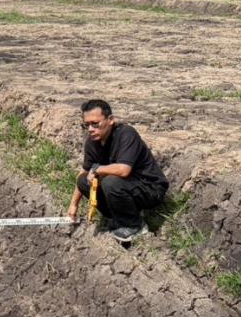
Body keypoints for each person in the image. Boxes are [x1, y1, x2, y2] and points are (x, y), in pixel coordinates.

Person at [67, 99, 168, 243]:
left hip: (150, 188)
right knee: (83, 180)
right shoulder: (92, 142)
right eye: (86, 125)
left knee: (110, 181)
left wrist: (98, 169)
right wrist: (74, 204)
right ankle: (117, 217)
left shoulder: (126, 134)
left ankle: (135, 226)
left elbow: (123, 170)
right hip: (125, 187)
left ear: (111, 120)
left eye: (95, 123)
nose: (90, 129)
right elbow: (84, 171)